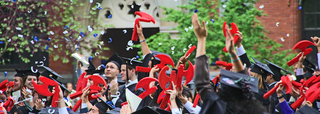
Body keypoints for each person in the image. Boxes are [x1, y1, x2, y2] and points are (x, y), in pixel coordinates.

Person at [192, 13, 266, 114]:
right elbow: (202, 84)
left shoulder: (219, 109)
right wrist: (232, 53)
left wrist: (201, 39)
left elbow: (202, 84)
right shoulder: (254, 109)